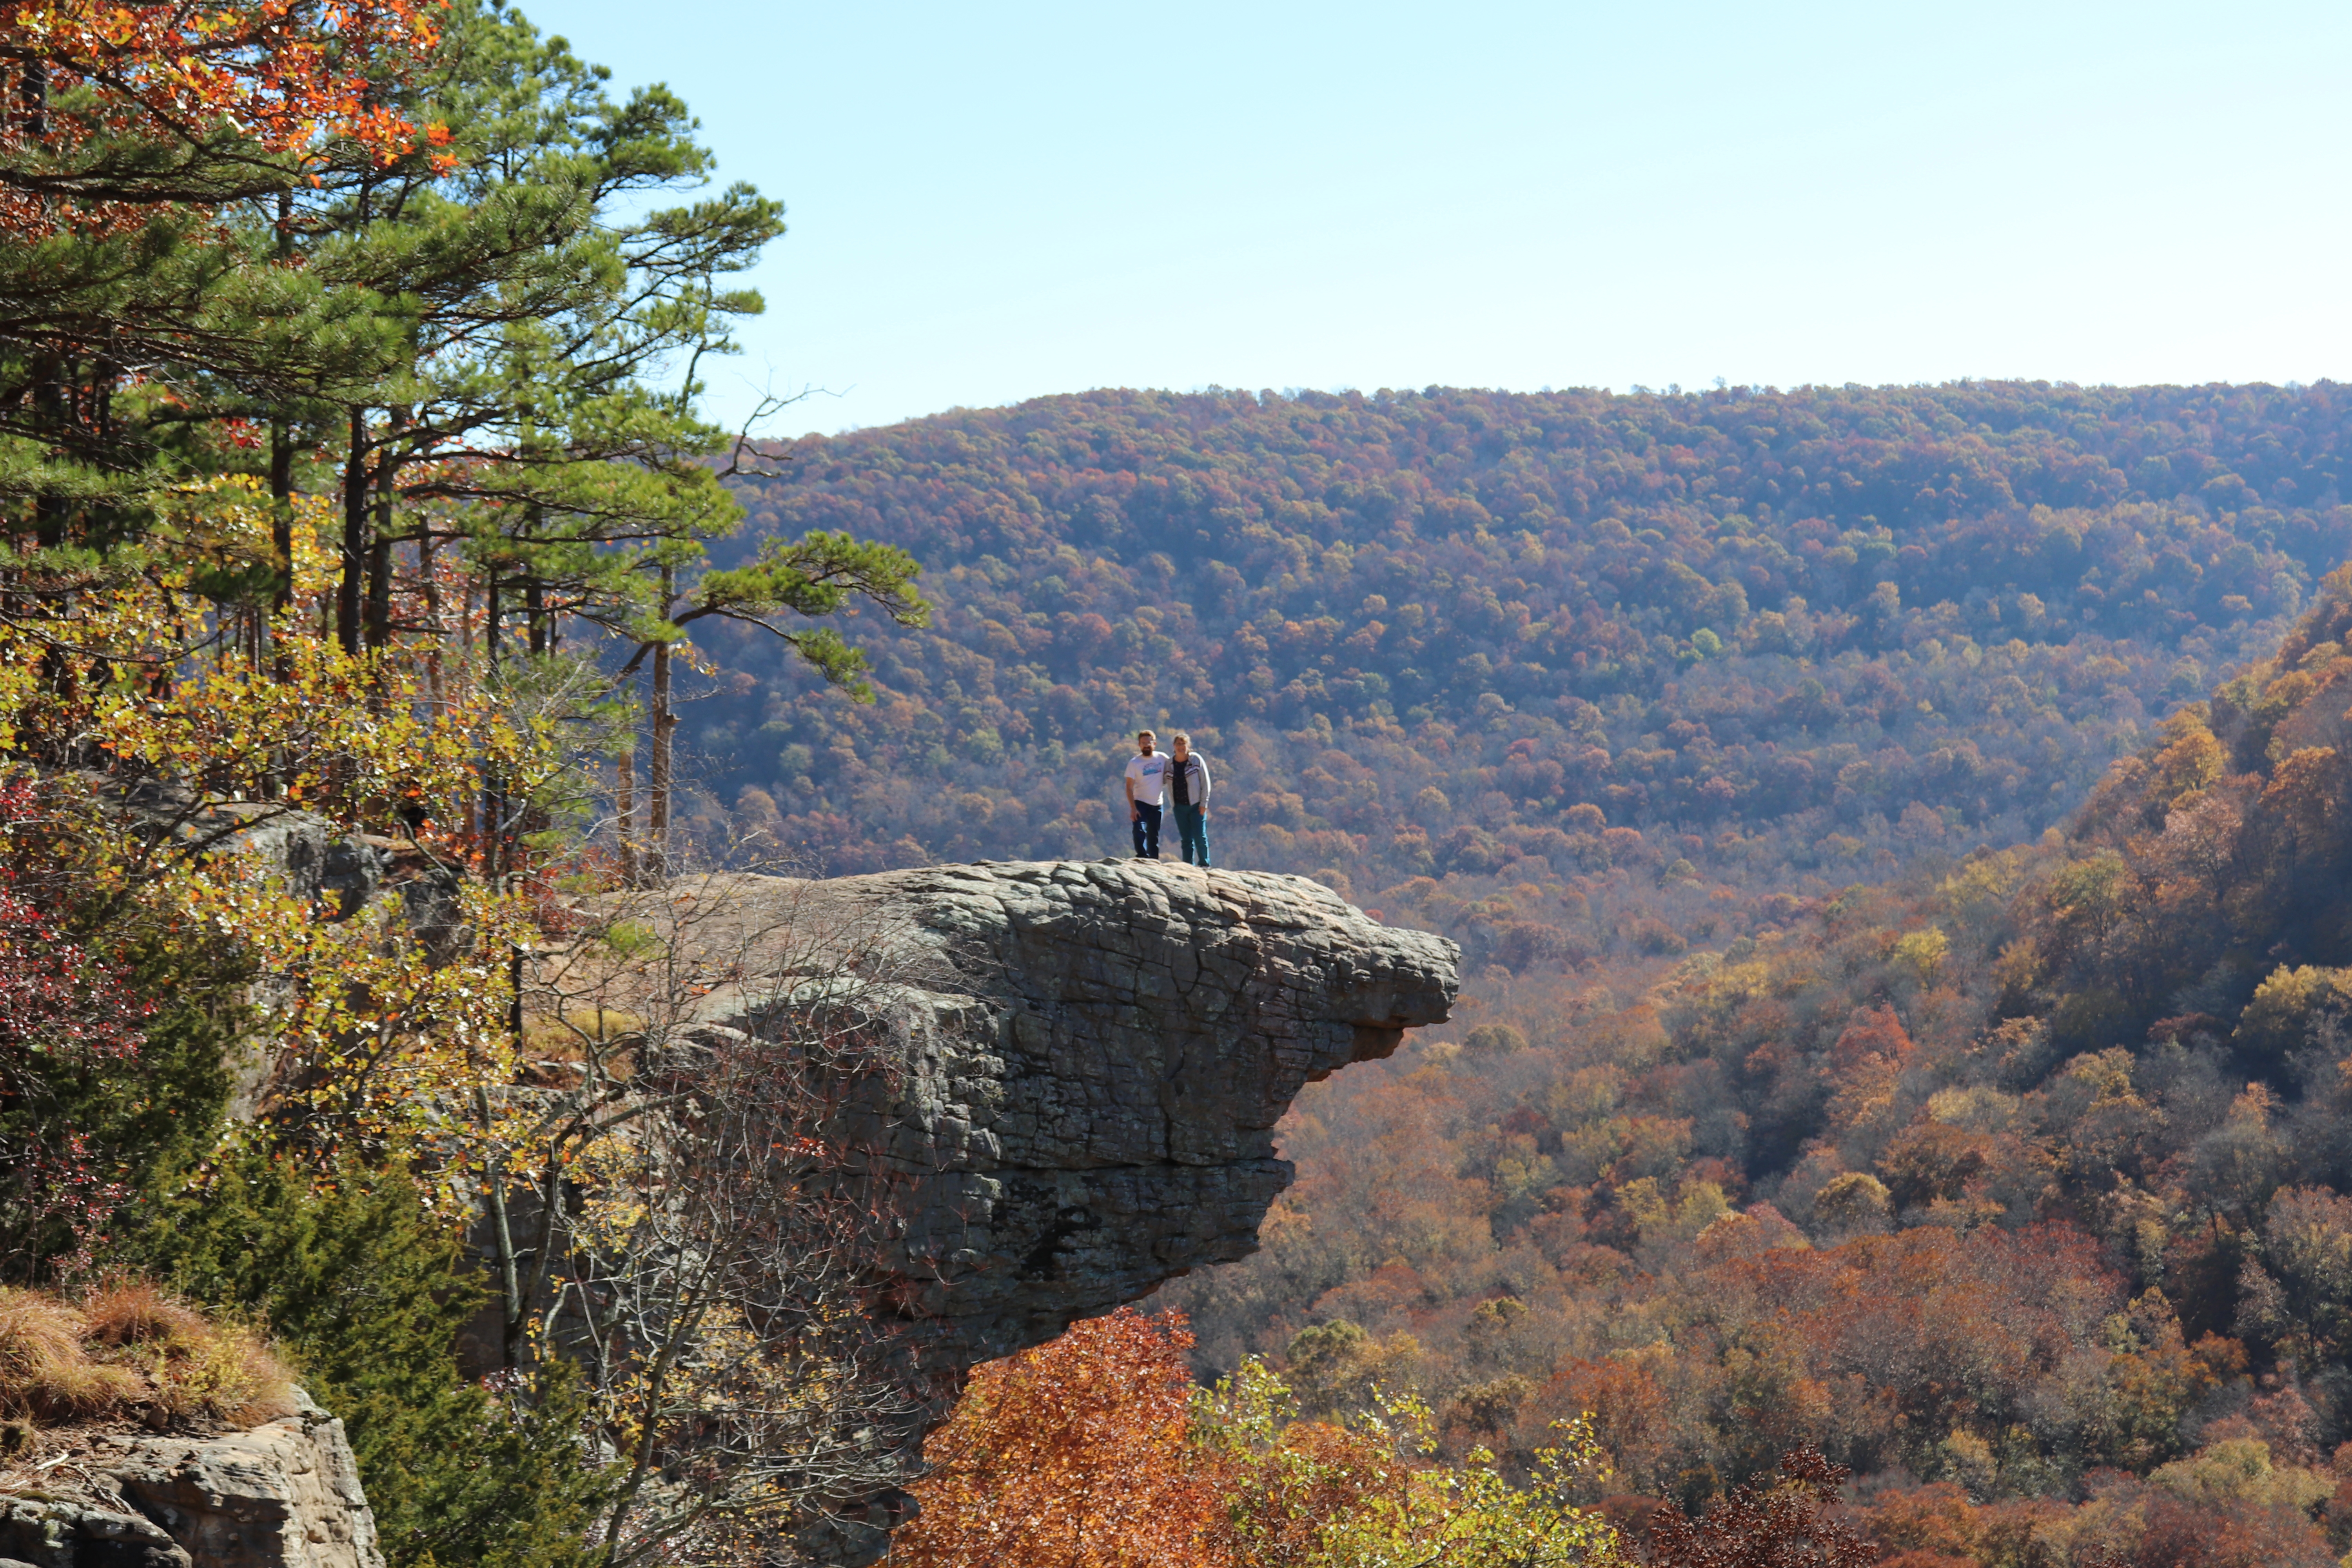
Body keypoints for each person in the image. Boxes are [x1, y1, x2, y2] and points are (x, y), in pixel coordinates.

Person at [1166, 731, 1212, 867]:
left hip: (1196, 805)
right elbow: (1162, 781)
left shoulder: (1196, 760)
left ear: (1189, 746)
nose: (1181, 747)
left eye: (1184, 744)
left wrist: (1204, 803)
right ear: (1174, 746)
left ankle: (1205, 864)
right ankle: (1187, 866)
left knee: (1200, 837)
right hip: (1179, 807)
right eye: (1179, 744)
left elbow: (1206, 783)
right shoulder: (1169, 764)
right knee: (1186, 839)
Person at [1123, 730, 1169, 858]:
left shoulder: (1163, 758)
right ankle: (1142, 857)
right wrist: (1133, 808)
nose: (1146, 745)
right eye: (1143, 743)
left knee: (1154, 835)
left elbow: (1173, 772)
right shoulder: (1134, 763)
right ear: (1139, 745)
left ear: (1155, 744)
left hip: (1157, 803)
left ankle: (1154, 861)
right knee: (1139, 830)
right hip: (1140, 802)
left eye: (1149, 743)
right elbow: (1129, 787)